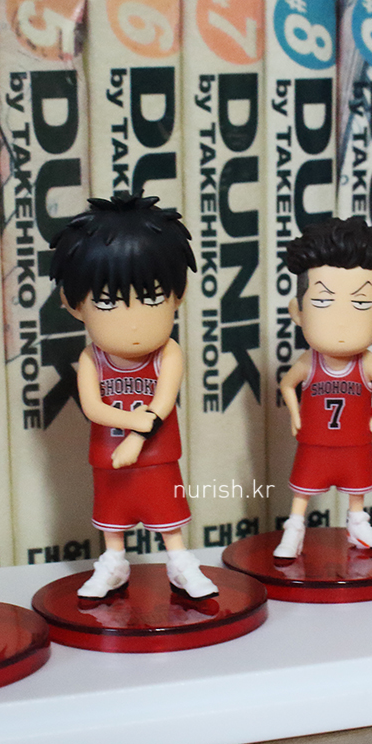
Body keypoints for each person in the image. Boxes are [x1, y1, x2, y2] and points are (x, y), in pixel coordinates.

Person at [50, 194, 215, 598]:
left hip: (157, 456)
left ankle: (180, 562)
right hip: (109, 457)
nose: (134, 322)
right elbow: (93, 407)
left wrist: (137, 438)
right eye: (107, 302)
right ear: (73, 305)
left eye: (153, 297)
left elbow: (162, 404)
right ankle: (113, 563)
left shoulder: (168, 353)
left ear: (178, 294)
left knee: (168, 517)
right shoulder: (91, 357)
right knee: (112, 519)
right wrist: (128, 425)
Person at [273, 217, 372, 559]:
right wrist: (295, 413)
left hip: (355, 442)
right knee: (302, 491)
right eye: (322, 302)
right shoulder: (309, 361)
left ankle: (358, 525)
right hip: (315, 441)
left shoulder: (366, 362)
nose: (342, 320)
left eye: (361, 304)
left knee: (357, 489)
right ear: (298, 312)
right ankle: (294, 530)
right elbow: (287, 384)